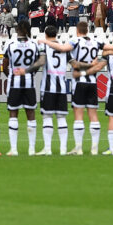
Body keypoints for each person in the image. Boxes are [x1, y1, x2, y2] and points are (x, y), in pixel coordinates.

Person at [2, 22, 41, 156]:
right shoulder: (34, 44)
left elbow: (4, 65)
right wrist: (29, 74)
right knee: (30, 114)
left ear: (17, 30)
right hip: (29, 82)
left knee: (13, 113)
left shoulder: (10, 45)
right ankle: (31, 149)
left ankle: (14, 149)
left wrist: (11, 76)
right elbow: (37, 65)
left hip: (15, 83)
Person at [67, 21, 103, 155]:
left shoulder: (75, 41)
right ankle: (94, 148)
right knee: (93, 114)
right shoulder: (96, 42)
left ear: (77, 31)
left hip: (79, 82)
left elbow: (74, 63)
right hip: (93, 82)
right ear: (87, 30)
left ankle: (79, 148)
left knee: (78, 114)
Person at [34, 25, 71, 155]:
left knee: (47, 117)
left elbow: (40, 62)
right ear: (56, 34)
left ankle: (48, 148)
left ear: (45, 35)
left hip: (48, 87)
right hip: (61, 88)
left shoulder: (44, 46)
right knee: (61, 118)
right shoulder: (64, 48)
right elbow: (73, 64)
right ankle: (63, 149)